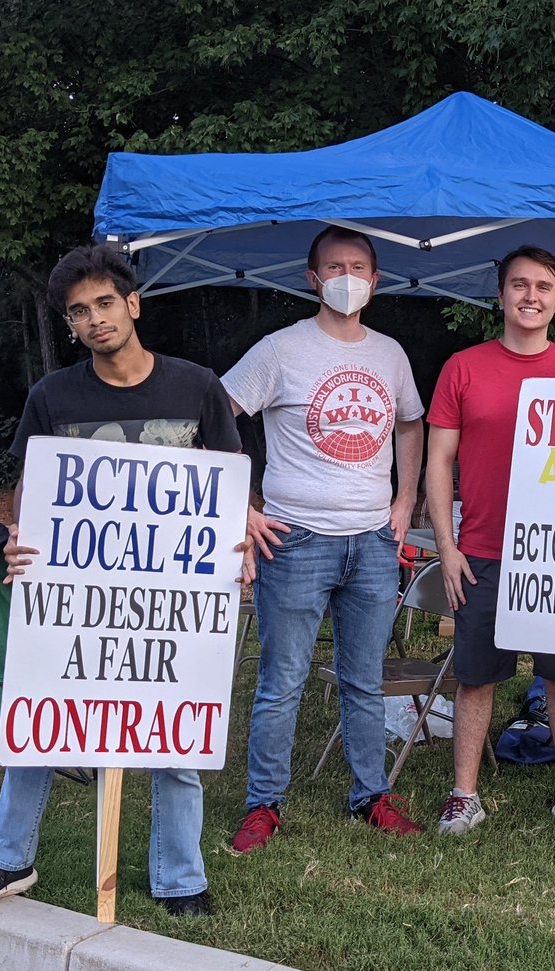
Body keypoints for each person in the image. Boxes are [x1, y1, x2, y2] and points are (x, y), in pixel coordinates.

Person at [0, 244, 242, 919]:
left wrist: (239, 535)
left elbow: (227, 483)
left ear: (132, 304)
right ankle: (8, 860)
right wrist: (19, 533)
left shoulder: (197, 386)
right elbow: (32, 486)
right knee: (42, 717)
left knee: (175, 729)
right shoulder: (52, 396)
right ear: (70, 324)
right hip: (71, 597)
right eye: (79, 312)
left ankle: (181, 878)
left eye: (105, 303)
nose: (94, 319)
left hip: (172, 599)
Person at [225, 226, 425, 851]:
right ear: (313, 279)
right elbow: (215, 415)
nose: (347, 277)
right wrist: (241, 507)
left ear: (376, 280)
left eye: (358, 267)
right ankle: (264, 804)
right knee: (281, 682)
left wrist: (404, 500)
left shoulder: (390, 354)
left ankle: (371, 795)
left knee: (364, 679)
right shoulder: (279, 350)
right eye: (335, 267)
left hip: (372, 541)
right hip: (295, 538)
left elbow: (411, 425)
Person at [426, 245, 555, 835]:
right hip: (481, 551)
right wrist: (447, 547)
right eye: (520, 285)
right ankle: (464, 794)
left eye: (543, 286)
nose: (531, 296)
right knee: (475, 676)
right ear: (500, 295)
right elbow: (438, 461)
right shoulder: (463, 367)